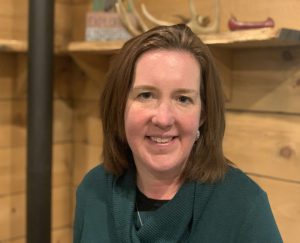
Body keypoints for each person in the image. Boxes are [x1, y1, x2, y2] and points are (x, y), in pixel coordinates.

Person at [73, 24, 282, 242]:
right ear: (119, 106)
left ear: (203, 115)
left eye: (183, 99)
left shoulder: (244, 206)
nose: (163, 119)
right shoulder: (93, 190)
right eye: (146, 95)